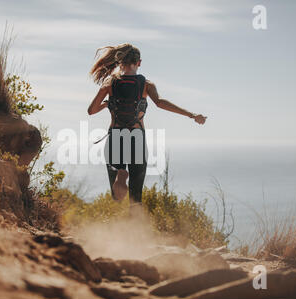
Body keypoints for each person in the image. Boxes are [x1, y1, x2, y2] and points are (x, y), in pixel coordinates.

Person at [88, 43, 207, 204]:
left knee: (117, 196)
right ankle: (135, 226)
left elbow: (91, 110)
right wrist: (191, 115)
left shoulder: (110, 83)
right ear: (139, 62)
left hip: (115, 136)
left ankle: (120, 173)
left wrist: (108, 103)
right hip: (136, 137)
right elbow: (160, 103)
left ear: (119, 62)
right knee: (136, 196)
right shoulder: (146, 84)